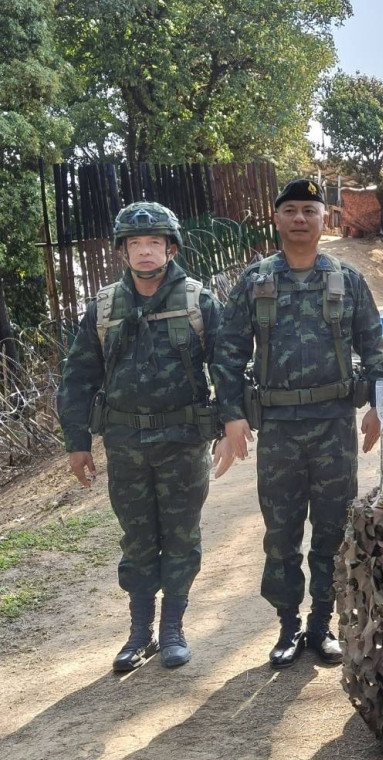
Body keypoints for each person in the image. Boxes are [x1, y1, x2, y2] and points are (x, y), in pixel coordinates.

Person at [211, 179, 383, 669]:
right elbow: (227, 354)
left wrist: (378, 405)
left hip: (334, 427)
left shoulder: (347, 281)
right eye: (289, 210)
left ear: (324, 218)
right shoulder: (255, 282)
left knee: (332, 530)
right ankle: (288, 624)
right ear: (277, 219)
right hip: (279, 431)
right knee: (282, 532)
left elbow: (375, 349)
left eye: (309, 210)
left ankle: (322, 623)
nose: (299, 219)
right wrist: (231, 415)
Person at [57, 201, 225, 671]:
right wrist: (77, 443)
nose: (145, 251)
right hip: (126, 445)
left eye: (154, 242)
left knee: (181, 535)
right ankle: (139, 632)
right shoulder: (104, 307)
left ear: (171, 249)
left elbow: (227, 366)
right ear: (123, 251)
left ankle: (172, 629)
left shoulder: (197, 301)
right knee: (136, 538)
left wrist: (231, 425)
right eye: (135, 243)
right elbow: (78, 377)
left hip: (183, 442)